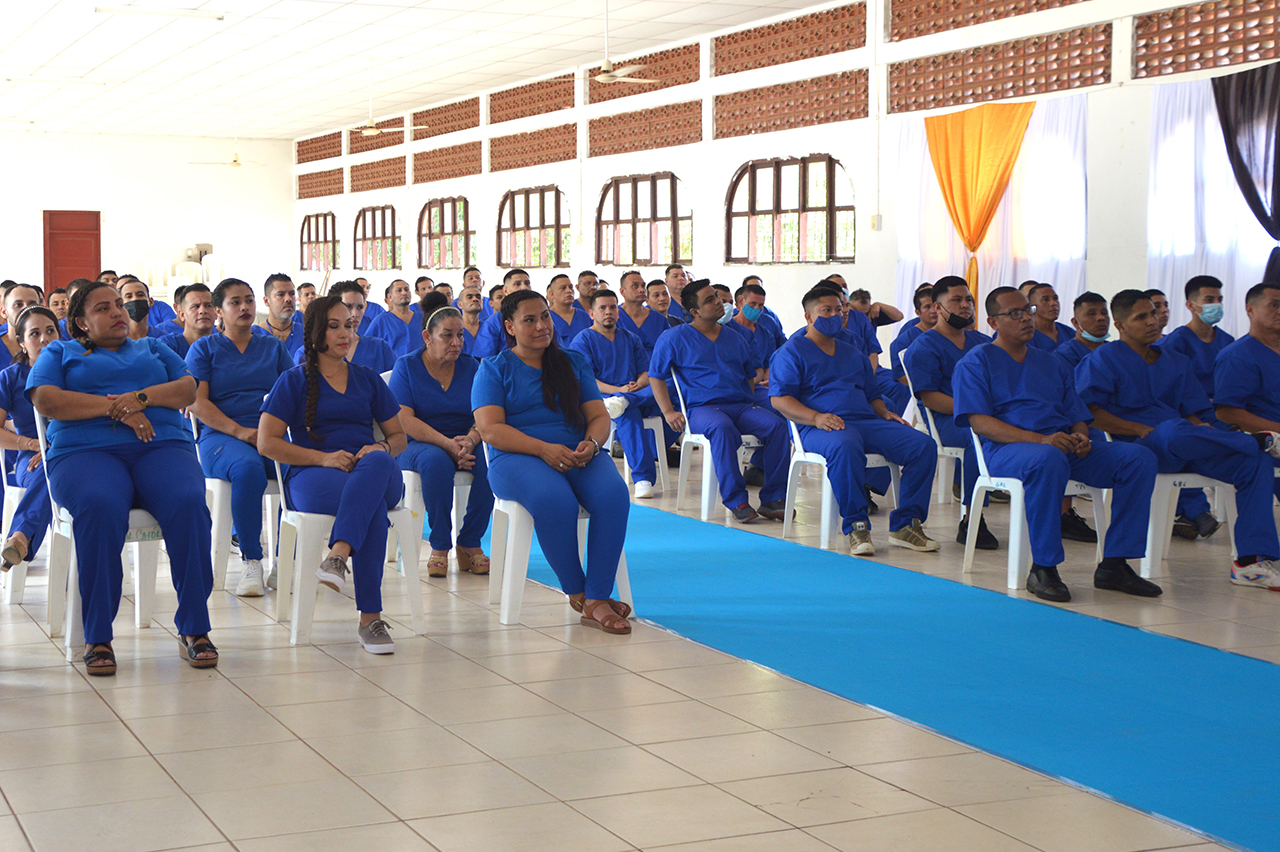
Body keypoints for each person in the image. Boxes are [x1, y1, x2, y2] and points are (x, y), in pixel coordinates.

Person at [28, 280, 218, 674]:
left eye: (118, 305)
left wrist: (142, 398)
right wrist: (118, 407)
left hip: (161, 445)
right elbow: (46, 399)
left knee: (187, 503)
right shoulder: (60, 351)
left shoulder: (151, 347)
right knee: (100, 506)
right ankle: (98, 635)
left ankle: (195, 628)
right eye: (103, 309)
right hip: (84, 452)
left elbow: (186, 389)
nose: (117, 312)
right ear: (80, 322)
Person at [952, 286, 1161, 602]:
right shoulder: (975, 362)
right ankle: (1044, 567)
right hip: (1008, 451)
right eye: (1015, 313)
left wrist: (1080, 436)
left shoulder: (1050, 363)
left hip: (1060, 446)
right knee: (1047, 460)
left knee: (1138, 459)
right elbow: (980, 422)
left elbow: (1076, 412)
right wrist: (1041, 440)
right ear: (993, 323)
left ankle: (1116, 564)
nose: (1026, 318)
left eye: (1028, 311)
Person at [1077, 289, 1280, 590]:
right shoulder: (1103, 359)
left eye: (1154, 314)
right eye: (1141, 317)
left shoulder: (1175, 361)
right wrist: (1138, 429)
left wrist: (1207, 434)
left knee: (1254, 463)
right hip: (1140, 446)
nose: (1153, 321)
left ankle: (1250, 562)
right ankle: (1258, 440)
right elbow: (1089, 412)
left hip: (1188, 443)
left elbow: (1198, 414)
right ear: (1120, 325)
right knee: (1171, 430)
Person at [472, 289, 632, 633]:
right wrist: (543, 449)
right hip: (516, 458)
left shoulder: (573, 362)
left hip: (577, 452)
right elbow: (490, 430)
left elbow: (598, 416)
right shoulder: (493, 368)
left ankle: (596, 597)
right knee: (553, 499)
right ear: (510, 327)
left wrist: (592, 442)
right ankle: (580, 592)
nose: (542, 325)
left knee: (613, 495)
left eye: (544, 316)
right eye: (529, 320)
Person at [259, 296, 408, 653]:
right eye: (335, 326)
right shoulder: (293, 381)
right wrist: (323, 459)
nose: (346, 333)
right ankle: (370, 620)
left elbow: (398, 437)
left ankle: (339, 552)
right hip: (315, 474)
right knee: (368, 508)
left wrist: (382, 449)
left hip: (373, 471)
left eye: (351, 325)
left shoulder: (368, 379)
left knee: (377, 463)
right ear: (314, 333)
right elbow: (267, 443)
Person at [772, 286, 939, 555]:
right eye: (826, 310)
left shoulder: (851, 349)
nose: (835, 315)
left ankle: (906, 525)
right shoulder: (791, 352)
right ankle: (856, 524)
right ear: (809, 316)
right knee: (845, 444)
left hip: (864, 419)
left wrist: (884, 412)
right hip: (818, 426)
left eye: (839, 309)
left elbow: (871, 392)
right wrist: (816, 417)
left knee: (922, 445)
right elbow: (779, 400)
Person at [650, 279, 790, 522]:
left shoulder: (736, 338)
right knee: (722, 428)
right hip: (703, 409)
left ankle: (773, 498)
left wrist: (745, 401)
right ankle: (737, 500)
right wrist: (668, 412)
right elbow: (656, 377)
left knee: (777, 426)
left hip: (740, 405)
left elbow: (750, 376)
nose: (718, 302)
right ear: (694, 312)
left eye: (716, 296)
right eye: (710, 300)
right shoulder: (673, 338)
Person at [188, 278, 294, 597]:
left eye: (249, 300)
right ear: (219, 310)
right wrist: (240, 431)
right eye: (235, 302)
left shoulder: (272, 346)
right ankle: (251, 560)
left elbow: (291, 391)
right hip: (221, 437)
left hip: (269, 432)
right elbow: (197, 401)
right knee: (247, 469)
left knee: (300, 468)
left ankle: (285, 562)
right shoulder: (204, 348)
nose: (245, 307)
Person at [390, 291, 493, 577]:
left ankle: (470, 542)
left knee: (494, 462)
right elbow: (404, 420)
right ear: (427, 337)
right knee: (435, 462)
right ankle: (439, 546)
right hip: (417, 443)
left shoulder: (472, 367)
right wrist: (447, 444)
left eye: (460, 335)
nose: (456, 343)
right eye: (447, 336)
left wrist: (471, 440)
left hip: (464, 441)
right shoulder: (407, 366)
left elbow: (486, 414)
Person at [901, 276, 998, 549]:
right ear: (937, 307)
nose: (965, 306)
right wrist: (977, 413)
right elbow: (930, 397)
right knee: (978, 435)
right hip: (947, 420)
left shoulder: (982, 342)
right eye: (956, 300)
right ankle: (971, 519)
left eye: (969, 300)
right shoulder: (924, 346)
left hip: (985, 415)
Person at [569, 289, 660, 498]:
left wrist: (637, 385)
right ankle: (642, 478)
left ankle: (626, 400)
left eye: (612, 307)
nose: (608, 312)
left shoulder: (631, 338)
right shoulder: (583, 340)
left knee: (667, 385)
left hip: (632, 393)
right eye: (602, 308)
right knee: (628, 414)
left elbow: (646, 372)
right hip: (602, 398)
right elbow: (587, 381)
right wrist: (618, 390)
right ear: (591, 313)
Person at [0, 307, 58, 572]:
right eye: (35, 334)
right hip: (31, 455)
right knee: (48, 470)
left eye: (50, 331)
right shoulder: (10, 378)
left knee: (58, 466)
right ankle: (21, 537)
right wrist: (34, 445)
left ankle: (20, 537)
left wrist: (54, 446)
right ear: (21, 342)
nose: (44, 339)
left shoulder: (75, 370)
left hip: (76, 448)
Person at [1216, 282, 1280, 517]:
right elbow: (1227, 413)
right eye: (1274, 305)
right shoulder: (1238, 356)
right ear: (1250, 310)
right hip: (1267, 443)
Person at [1161, 275, 1235, 399]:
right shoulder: (1174, 344)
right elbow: (1173, 389)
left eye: (1219, 300)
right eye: (1209, 300)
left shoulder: (1227, 341)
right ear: (1191, 306)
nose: (1217, 305)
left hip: (1225, 405)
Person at [310, 281, 397, 373]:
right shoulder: (310, 352)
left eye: (360, 307)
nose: (355, 314)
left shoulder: (380, 348)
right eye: (348, 306)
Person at [473, 269, 533, 358]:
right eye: (517, 284)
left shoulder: (542, 316)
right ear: (505, 291)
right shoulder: (493, 323)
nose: (524, 287)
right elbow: (486, 361)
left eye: (527, 283)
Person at [613, 270, 667, 358]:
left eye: (643, 286)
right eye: (635, 286)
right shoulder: (614, 317)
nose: (641, 290)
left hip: (654, 369)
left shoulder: (659, 319)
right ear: (623, 292)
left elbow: (668, 349)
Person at [889, 284, 936, 382]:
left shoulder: (951, 334)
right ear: (918, 312)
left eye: (936, 305)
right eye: (927, 307)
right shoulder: (905, 340)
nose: (933, 310)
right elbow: (899, 374)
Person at [1054, 292, 1111, 371]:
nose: (1101, 318)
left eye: (1104, 313)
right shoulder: (1065, 355)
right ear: (1075, 323)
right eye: (1091, 314)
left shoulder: (1114, 351)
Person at [365, 278, 422, 358]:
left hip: (421, 367)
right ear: (390, 297)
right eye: (399, 290)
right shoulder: (381, 321)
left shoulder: (422, 318)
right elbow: (367, 346)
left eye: (406, 289)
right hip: (393, 368)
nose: (404, 293)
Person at [159, 283, 215, 359]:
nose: (203, 311)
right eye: (195, 306)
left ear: (217, 312)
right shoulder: (166, 346)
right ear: (182, 314)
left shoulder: (225, 346)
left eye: (208, 305)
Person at [0, 283, 44, 370]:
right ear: (4, 312)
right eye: (18, 305)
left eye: (32, 304)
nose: (26, 309)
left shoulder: (48, 343)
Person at [257, 274, 303, 355]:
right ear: (266, 301)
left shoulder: (306, 333)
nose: (288, 299)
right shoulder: (253, 335)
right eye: (280, 295)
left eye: (292, 294)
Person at [547, 274, 592, 347]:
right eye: (563, 288)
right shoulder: (547, 318)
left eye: (571, 287)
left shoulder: (585, 317)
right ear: (552, 294)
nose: (569, 291)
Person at [1027, 283, 1075, 349]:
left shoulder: (1069, 333)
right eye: (1046, 300)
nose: (1053, 303)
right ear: (1032, 307)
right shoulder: (1027, 337)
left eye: (1055, 298)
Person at [457, 285, 483, 355]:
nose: (475, 299)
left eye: (478, 297)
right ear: (460, 304)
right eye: (469, 297)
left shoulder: (488, 327)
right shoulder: (455, 329)